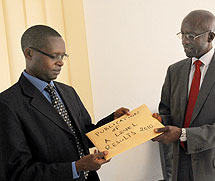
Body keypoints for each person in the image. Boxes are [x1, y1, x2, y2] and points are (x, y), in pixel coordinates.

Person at [0, 25, 129, 181]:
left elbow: (82, 135)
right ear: (29, 54)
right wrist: (75, 168)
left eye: (63, 56)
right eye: (54, 56)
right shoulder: (7, 104)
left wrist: (113, 122)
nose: (60, 63)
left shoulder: (68, 92)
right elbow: (17, 173)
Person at [152, 10, 215, 181]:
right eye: (182, 34)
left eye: (191, 35)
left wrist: (184, 134)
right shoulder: (174, 71)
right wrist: (158, 122)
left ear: (210, 36)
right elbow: (166, 111)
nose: (184, 41)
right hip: (180, 166)